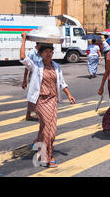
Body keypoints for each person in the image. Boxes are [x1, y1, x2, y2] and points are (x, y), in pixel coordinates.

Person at [19, 33, 76, 168]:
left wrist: (69, 95)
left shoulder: (56, 66)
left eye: (51, 51)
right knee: (47, 130)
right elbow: (22, 57)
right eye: (46, 52)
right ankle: (46, 157)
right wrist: (23, 40)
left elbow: (61, 83)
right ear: (41, 53)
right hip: (40, 101)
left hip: (52, 100)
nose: (49, 54)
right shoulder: (35, 66)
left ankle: (38, 143)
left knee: (51, 130)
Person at [22, 42, 41, 121]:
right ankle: (32, 115)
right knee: (34, 95)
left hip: (40, 76)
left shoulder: (41, 52)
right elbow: (27, 67)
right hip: (33, 77)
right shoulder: (32, 53)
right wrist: (24, 80)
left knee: (36, 96)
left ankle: (29, 115)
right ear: (38, 44)